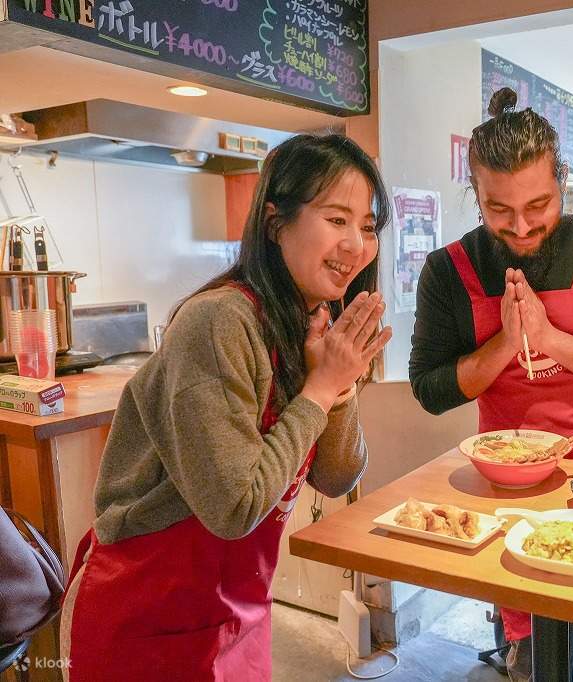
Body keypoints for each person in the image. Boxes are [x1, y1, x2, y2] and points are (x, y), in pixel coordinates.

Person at [60, 134, 393, 681]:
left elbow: (337, 477)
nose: (356, 244)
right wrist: (319, 388)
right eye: (337, 219)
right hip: (144, 615)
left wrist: (339, 384)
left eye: (368, 226)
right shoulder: (218, 322)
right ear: (274, 221)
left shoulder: (304, 324)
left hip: (237, 612)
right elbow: (234, 507)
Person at [410, 87, 573, 682]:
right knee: (534, 653)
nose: (522, 225)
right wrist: (505, 343)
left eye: (539, 204)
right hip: (510, 482)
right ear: (474, 194)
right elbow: (431, 389)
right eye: (499, 210)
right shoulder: (447, 270)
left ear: (563, 181)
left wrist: (551, 341)